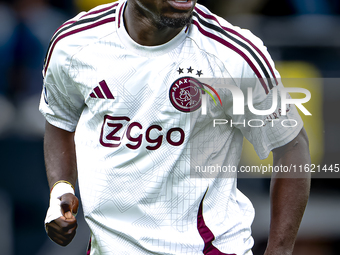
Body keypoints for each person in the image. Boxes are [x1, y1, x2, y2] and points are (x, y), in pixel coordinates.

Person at [39, 0, 311, 254]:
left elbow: (291, 145)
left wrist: (279, 250)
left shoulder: (233, 55)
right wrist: (61, 190)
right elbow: (61, 121)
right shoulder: (74, 44)